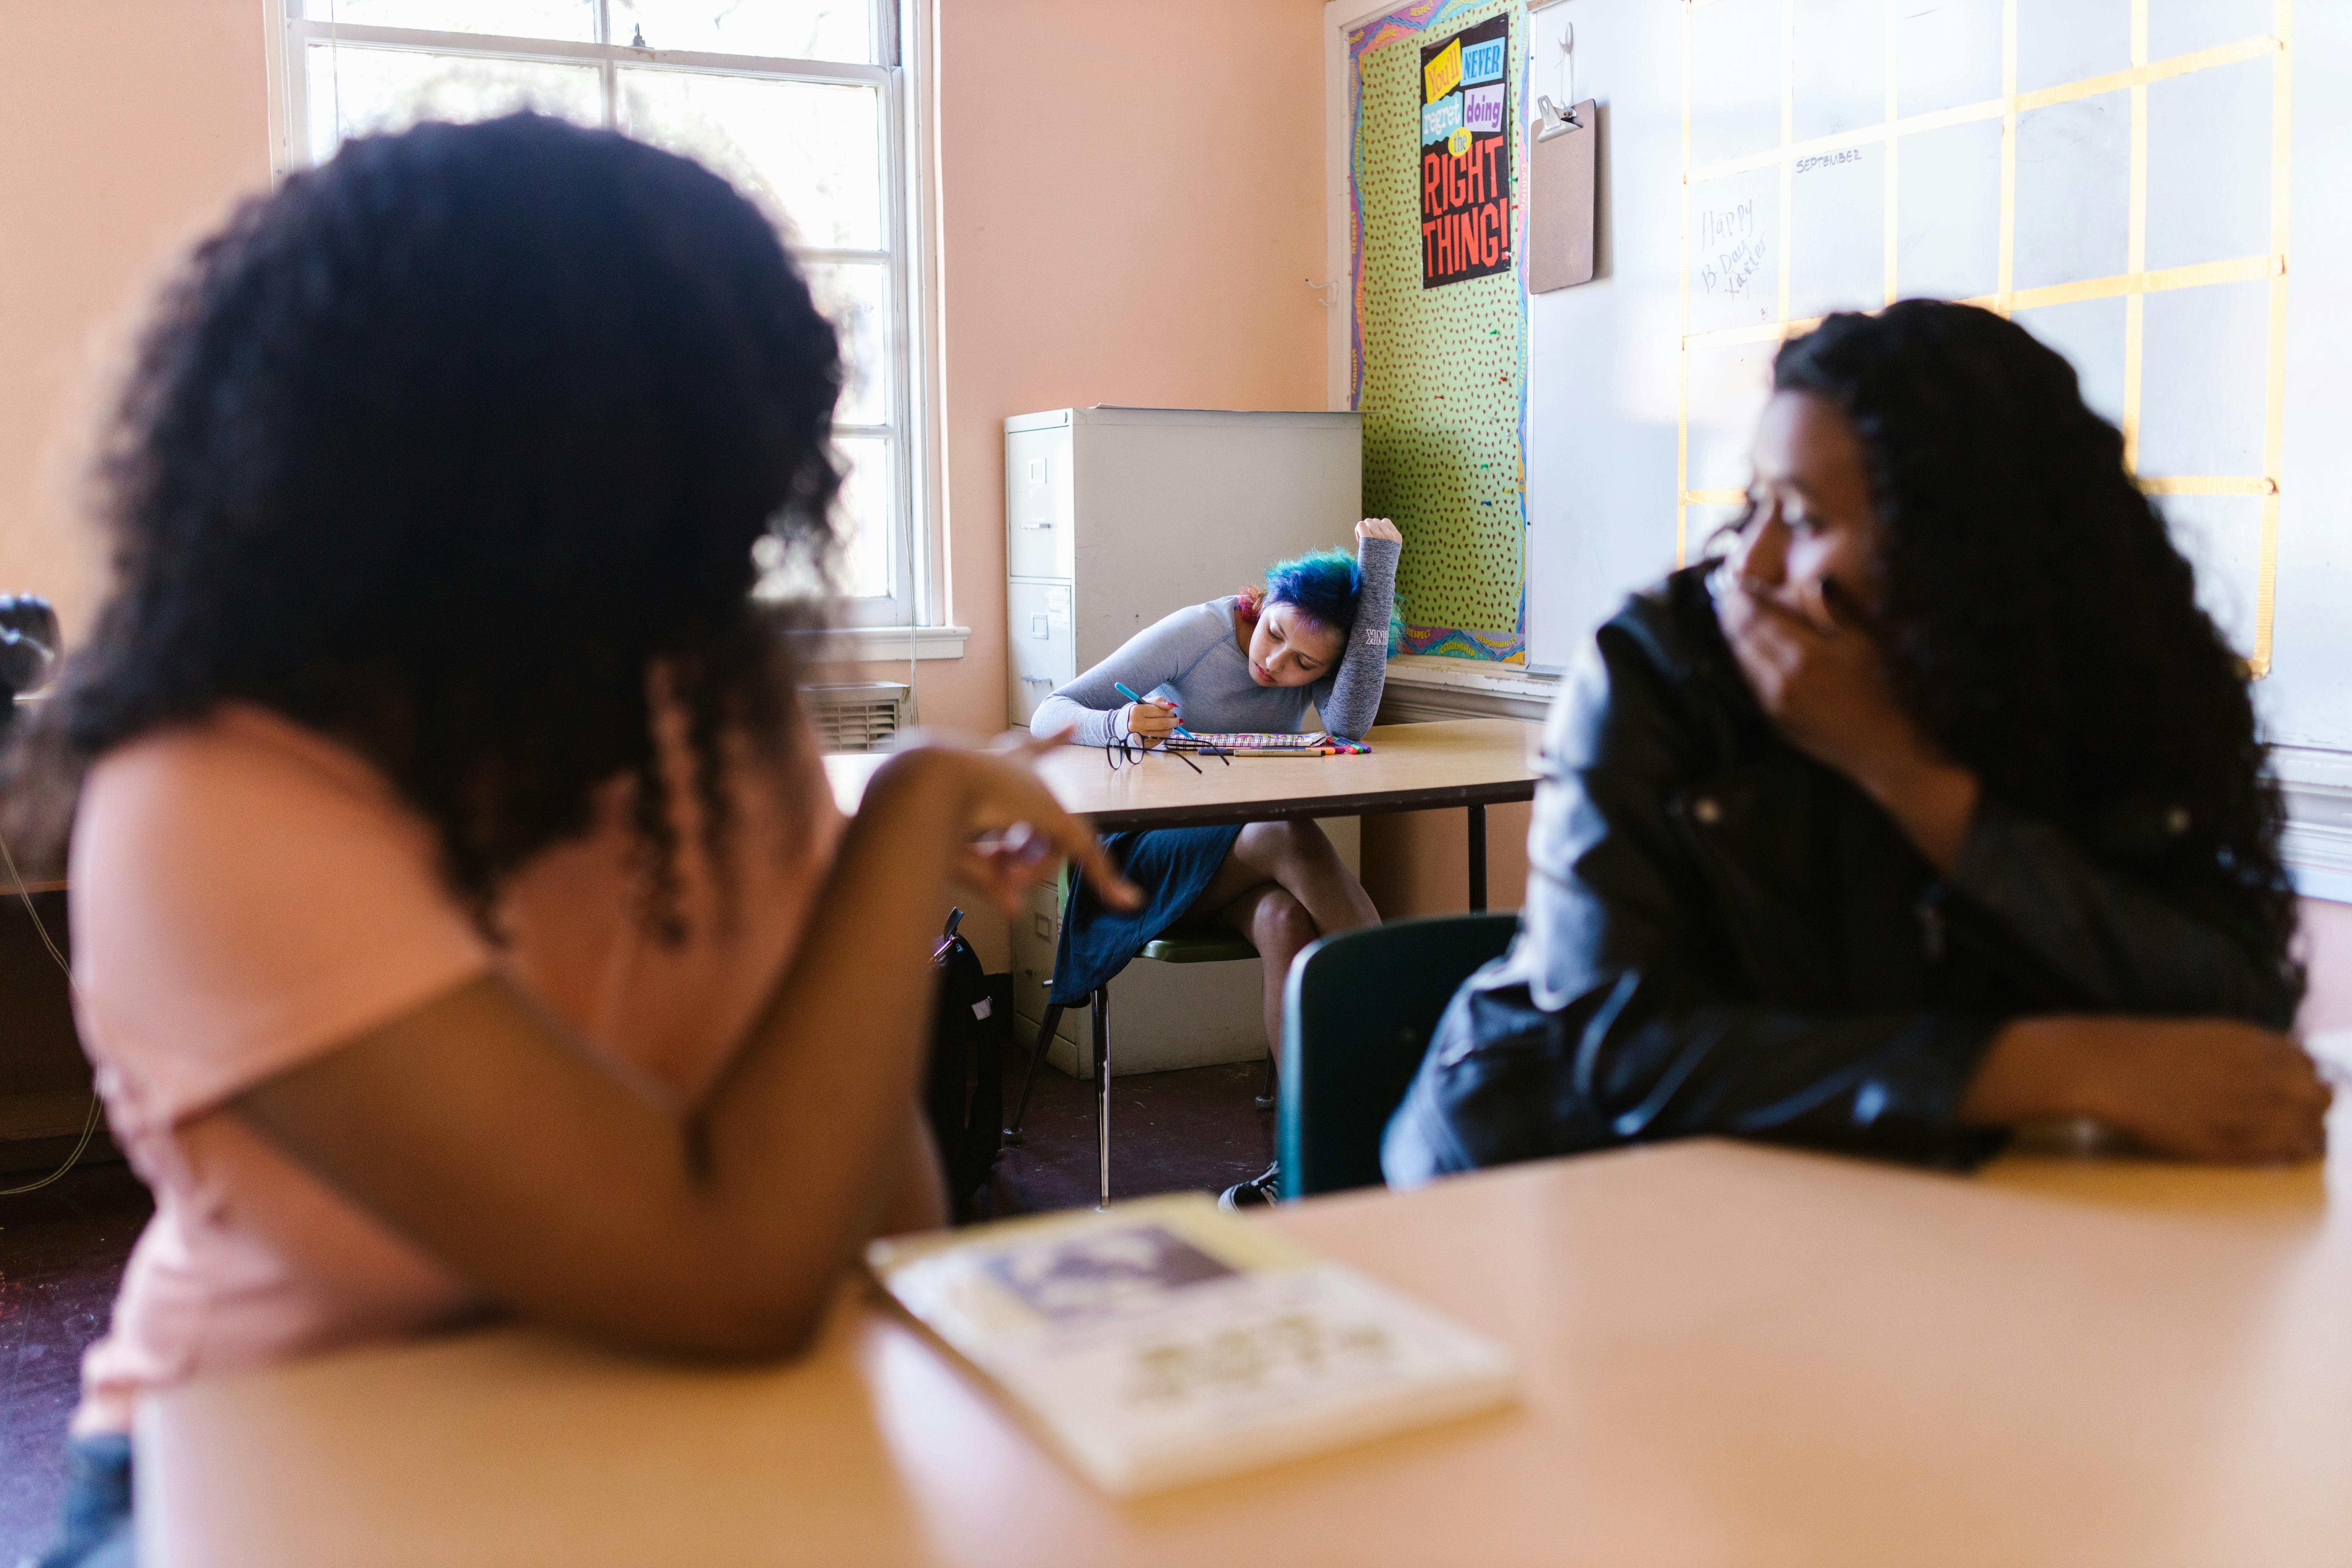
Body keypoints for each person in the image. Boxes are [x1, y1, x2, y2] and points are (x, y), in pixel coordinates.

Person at [13, 114, 1131, 1568]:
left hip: (672, 1419)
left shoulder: (702, 706)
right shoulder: (210, 797)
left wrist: (875, 910)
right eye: (678, 501)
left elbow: (868, 1220)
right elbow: (733, 1275)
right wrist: (904, 823)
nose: (724, 556)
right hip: (283, 1469)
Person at [1384, 300, 2330, 1186]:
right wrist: (2039, 1067)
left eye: (1803, 520)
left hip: (1878, 1208)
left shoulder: (2090, 687)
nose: (1746, 568)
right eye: (1752, 505)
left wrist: (1914, 781)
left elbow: (2234, 1016)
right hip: (1544, 1184)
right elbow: (1625, 1054)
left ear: (1959, 554)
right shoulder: (1658, 668)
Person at [1030, 523, 1402, 1205]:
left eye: (1305, 666)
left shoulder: (1317, 663)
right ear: (1262, 606)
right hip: (1139, 857)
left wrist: (1376, 579)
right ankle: (1402, 1034)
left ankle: (1305, 1161)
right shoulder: (1199, 630)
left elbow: (1348, 725)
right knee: (1288, 833)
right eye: (1276, 634)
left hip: (1227, 863)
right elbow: (1048, 713)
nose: (1277, 664)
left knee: (1286, 917)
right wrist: (1119, 724)